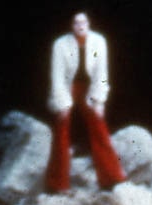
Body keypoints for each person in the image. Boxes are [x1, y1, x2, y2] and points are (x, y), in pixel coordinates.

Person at [46, 11, 125, 192]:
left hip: (90, 87)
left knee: (98, 125)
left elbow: (101, 73)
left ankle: (111, 178)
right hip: (68, 86)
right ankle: (57, 184)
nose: (80, 26)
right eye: (76, 22)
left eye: (84, 22)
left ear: (89, 24)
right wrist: (62, 103)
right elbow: (57, 76)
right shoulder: (60, 44)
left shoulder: (99, 41)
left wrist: (98, 100)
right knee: (62, 126)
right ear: (71, 25)